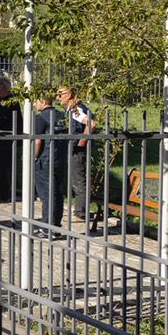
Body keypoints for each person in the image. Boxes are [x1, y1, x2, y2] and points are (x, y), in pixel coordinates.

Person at [55, 85, 96, 230]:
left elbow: (91, 124)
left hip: (78, 149)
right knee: (76, 179)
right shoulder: (72, 109)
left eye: (61, 94)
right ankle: (79, 210)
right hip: (74, 148)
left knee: (78, 179)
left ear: (69, 95)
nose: (58, 98)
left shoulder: (76, 109)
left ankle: (81, 212)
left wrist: (81, 143)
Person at [31, 94, 69, 228]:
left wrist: (33, 157)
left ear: (43, 101)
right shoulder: (62, 116)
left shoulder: (41, 118)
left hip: (45, 160)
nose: (34, 104)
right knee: (57, 193)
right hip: (59, 158)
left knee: (47, 194)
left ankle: (47, 226)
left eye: (35, 101)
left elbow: (37, 141)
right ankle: (56, 225)